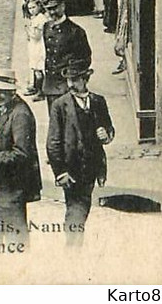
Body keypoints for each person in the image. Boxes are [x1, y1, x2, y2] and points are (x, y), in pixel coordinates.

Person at [47, 62, 114, 243]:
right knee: (75, 209)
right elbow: (53, 142)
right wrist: (60, 172)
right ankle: (73, 249)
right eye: (68, 80)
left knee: (82, 208)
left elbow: (109, 128)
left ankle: (74, 246)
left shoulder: (99, 102)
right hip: (71, 169)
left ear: (85, 79)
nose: (70, 84)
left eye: (75, 80)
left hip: (92, 168)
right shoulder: (60, 106)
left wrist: (106, 135)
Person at [0, 68, 42, 235]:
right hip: (6, 188)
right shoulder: (9, 108)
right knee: (7, 234)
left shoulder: (20, 114)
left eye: (1, 92)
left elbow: (22, 153)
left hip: (14, 188)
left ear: (12, 91)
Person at [42, 0, 92, 111]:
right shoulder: (46, 27)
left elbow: (85, 58)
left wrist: (72, 77)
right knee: (54, 120)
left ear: (63, 6)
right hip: (51, 85)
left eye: (55, 8)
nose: (52, 12)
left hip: (67, 86)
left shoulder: (75, 31)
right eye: (49, 9)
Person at [23, 0, 47, 98]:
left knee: (38, 69)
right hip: (34, 46)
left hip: (39, 47)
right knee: (34, 68)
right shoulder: (35, 18)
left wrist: (28, 29)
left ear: (39, 6)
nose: (31, 10)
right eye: (29, 8)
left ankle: (40, 92)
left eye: (33, 7)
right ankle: (35, 88)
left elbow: (37, 36)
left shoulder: (41, 19)